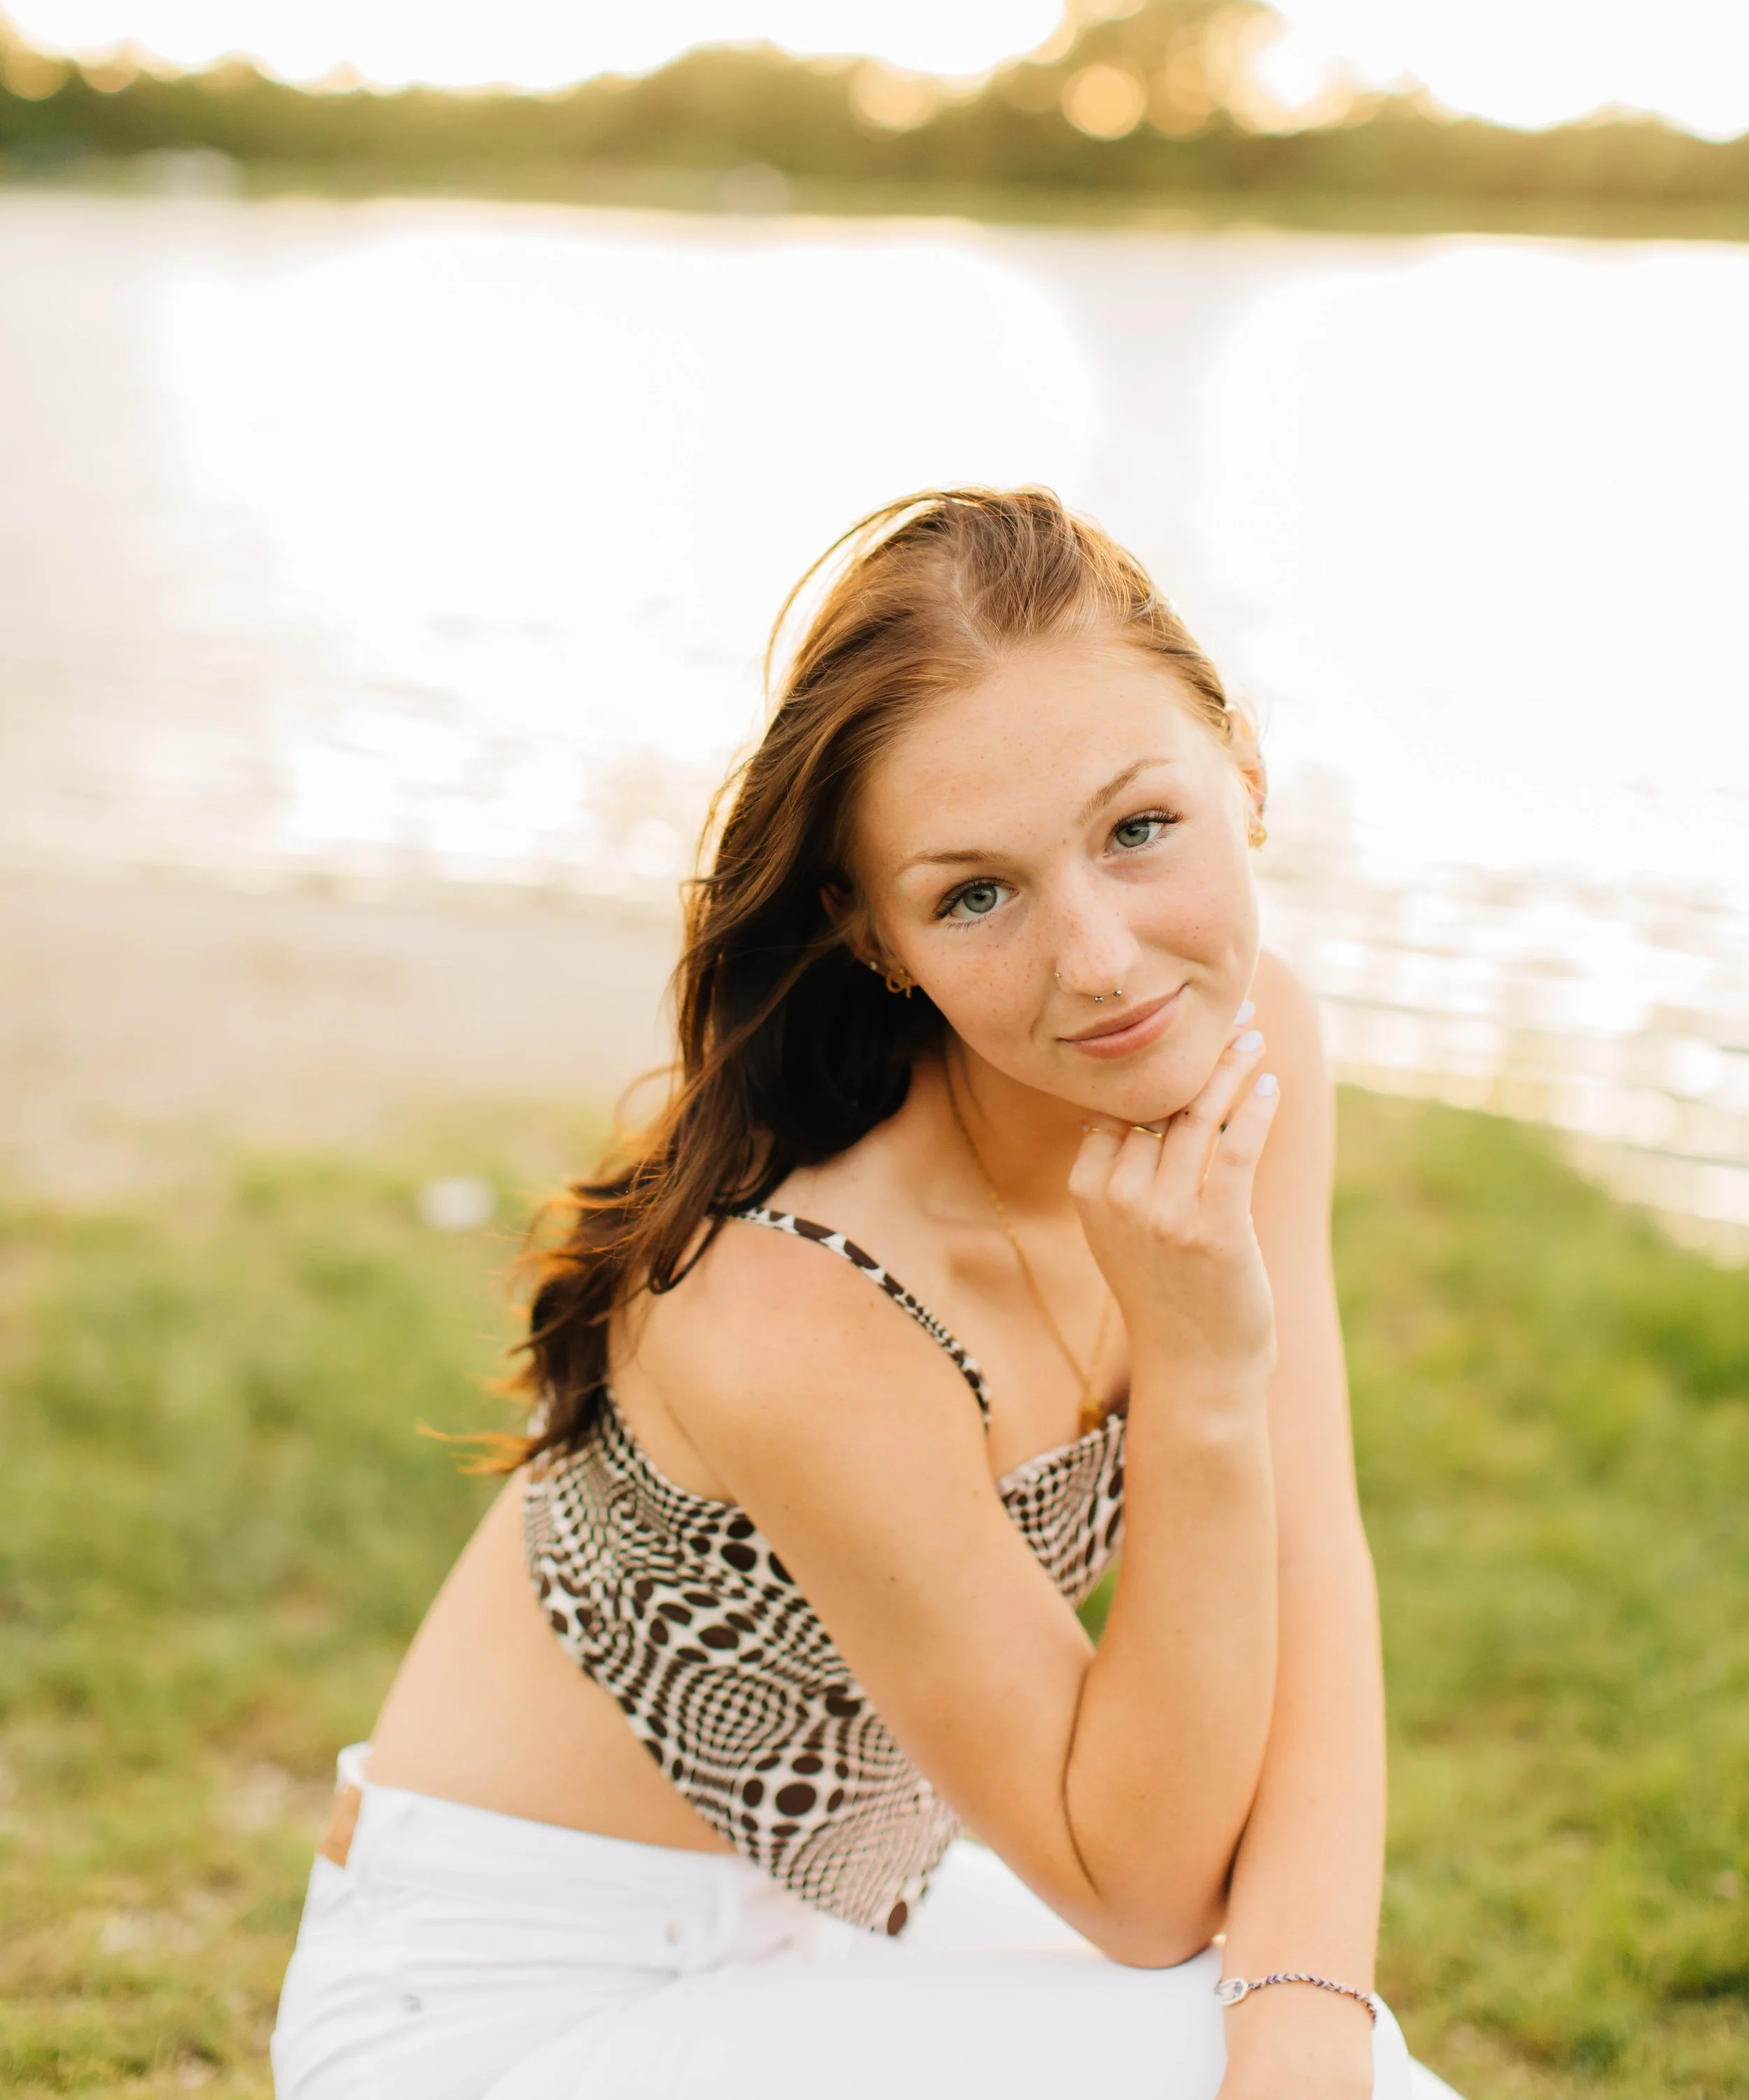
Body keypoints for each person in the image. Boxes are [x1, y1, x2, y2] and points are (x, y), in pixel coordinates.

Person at [271, 488, 1460, 2100]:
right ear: (876, 935)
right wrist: (1196, 1375)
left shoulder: (1253, 1048)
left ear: (1239, 768)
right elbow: (1137, 1888)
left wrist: (1307, 2011)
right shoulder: (795, 1305)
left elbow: (1311, 1563)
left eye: (1137, 829)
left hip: (827, 1931)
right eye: (975, 894)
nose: (1102, 961)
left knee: (1332, 2062)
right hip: (493, 2015)